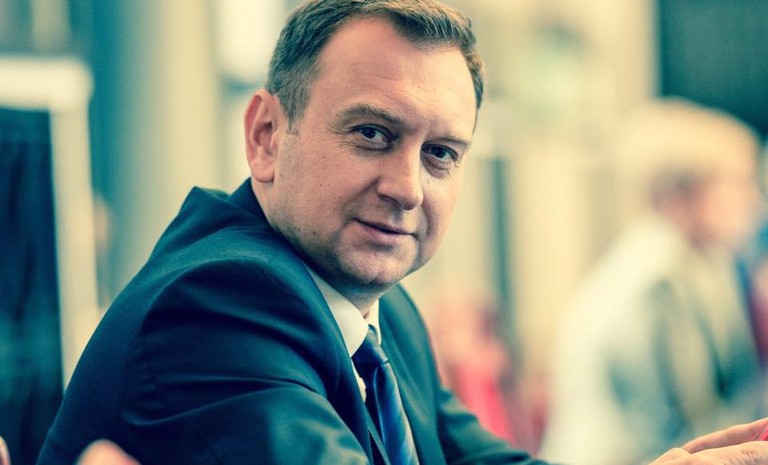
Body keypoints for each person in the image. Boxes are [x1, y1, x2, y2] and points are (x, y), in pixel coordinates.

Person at [34, 1, 768, 464]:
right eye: (372, 133)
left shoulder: (379, 310)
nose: (408, 187)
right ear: (266, 136)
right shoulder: (217, 301)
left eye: (440, 153)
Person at [540, 99, 766, 465]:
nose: (754, 201)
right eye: (739, 183)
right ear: (680, 195)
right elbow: (672, 433)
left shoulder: (698, 264)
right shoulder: (656, 282)